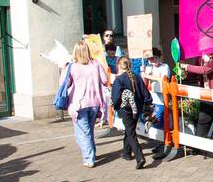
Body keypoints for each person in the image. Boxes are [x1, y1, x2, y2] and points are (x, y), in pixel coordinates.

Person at [64, 39, 110, 167]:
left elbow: (65, 84)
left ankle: (89, 158)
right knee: (89, 130)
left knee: (83, 132)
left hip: (78, 103)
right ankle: (91, 153)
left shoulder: (72, 67)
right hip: (95, 102)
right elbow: (105, 79)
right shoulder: (96, 64)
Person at [109, 51, 150, 169]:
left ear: (118, 65)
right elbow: (145, 93)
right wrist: (147, 103)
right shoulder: (136, 76)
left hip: (126, 109)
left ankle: (139, 156)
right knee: (129, 129)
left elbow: (115, 97)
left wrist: (116, 107)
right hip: (137, 108)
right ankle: (126, 153)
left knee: (131, 133)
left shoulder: (119, 80)